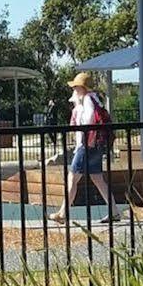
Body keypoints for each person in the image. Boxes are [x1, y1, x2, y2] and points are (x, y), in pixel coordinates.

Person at [54, 71, 115, 223]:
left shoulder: (87, 99)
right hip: (96, 144)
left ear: (83, 88)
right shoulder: (96, 99)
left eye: (76, 87)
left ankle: (63, 213)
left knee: (72, 177)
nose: (74, 90)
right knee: (97, 178)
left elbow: (88, 119)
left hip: (87, 144)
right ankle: (114, 211)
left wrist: (80, 128)